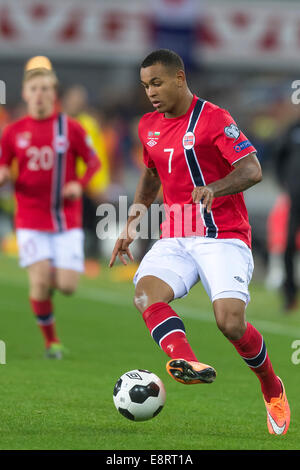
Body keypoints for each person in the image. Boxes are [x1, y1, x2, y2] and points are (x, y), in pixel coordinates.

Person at [109, 49, 290, 435]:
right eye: (145, 86)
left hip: (223, 236)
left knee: (231, 323)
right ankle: (186, 363)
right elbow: (151, 174)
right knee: (145, 294)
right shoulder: (147, 126)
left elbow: (252, 169)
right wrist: (132, 222)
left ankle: (272, 386)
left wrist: (214, 188)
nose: (151, 92)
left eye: (156, 83)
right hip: (177, 234)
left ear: (179, 77)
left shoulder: (214, 119)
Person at [0, 57, 101, 358]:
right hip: (30, 217)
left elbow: (93, 161)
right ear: (26, 92)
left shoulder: (69, 128)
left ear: (53, 92)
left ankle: (50, 275)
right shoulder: (13, 131)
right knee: (40, 279)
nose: (40, 93)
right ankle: (51, 342)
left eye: (46, 88)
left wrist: (78, 184)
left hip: (66, 219)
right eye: (35, 88)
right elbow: (3, 164)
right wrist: (3, 173)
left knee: (68, 286)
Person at [62, 84, 110, 277]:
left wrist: (99, 185)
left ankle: (90, 261)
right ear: (66, 99)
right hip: (59, 185)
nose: (78, 102)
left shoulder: (88, 124)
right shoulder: (57, 122)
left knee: (88, 224)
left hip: (84, 186)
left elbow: (98, 156)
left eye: (81, 98)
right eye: (75, 98)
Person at [274, 118, 300, 312]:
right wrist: (285, 184)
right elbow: (279, 157)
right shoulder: (293, 129)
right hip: (296, 202)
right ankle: (289, 295)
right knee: (288, 246)